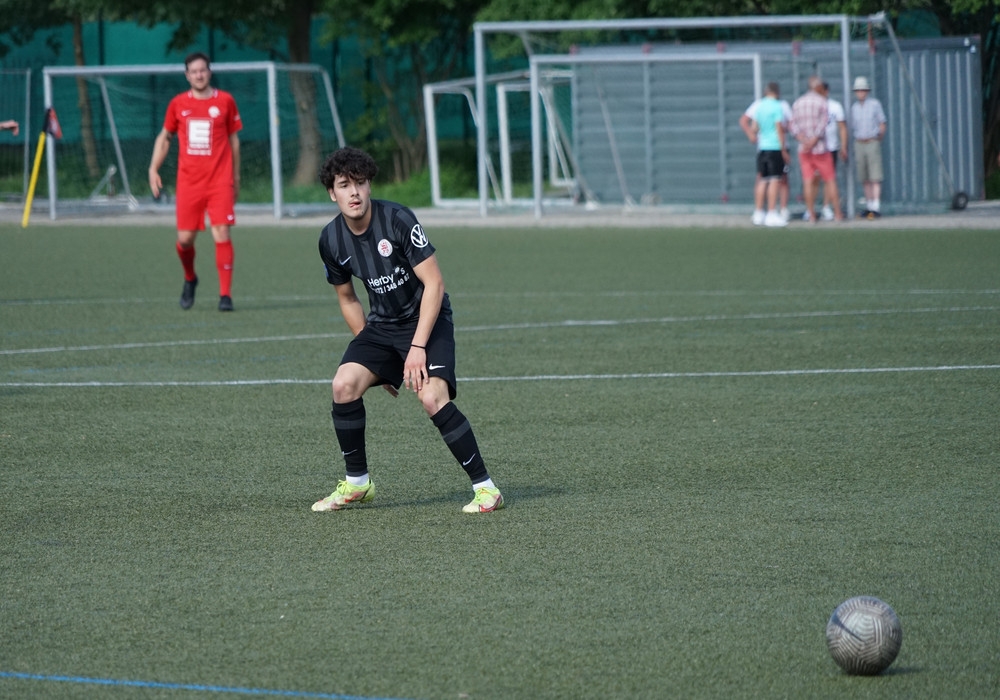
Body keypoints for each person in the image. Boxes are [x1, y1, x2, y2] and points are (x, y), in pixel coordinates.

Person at [312, 146, 504, 515]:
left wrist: (416, 348)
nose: (354, 192)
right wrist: (375, 361)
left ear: (370, 185)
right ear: (332, 193)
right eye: (344, 185)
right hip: (382, 326)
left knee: (432, 397)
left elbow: (435, 284)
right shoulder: (330, 240)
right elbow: (348, 298)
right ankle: (357, 483)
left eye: (360, 183)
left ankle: (486, 489)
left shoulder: (398, 219)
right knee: (344, 385)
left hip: (428, 320)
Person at [149, 52, 242, 311]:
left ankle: (225, 296)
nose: (199, 75)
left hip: (219, 181)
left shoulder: (225, 101)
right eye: (194, 71)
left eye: (203, 70)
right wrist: (153, 168)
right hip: (189, 183)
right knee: (185, 240)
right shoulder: (178, 104)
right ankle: (190, 278)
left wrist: (235, 176)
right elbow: (165, 137)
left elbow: (234, 141)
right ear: (187, 75)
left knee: (222, 232)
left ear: (209, 72)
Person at [790, 75, 842, 223]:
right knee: (830, 180)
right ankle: (837, 214)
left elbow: (793, 125)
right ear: (817, 87)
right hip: (820, 149)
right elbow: (823, 123)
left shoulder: (798, 103)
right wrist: (813, 140)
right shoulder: (822, 102)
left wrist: (803, 140)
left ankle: (811, 215)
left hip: (804, 149)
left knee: (808, 180)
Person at [739, 82, 790, 227]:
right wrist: (783, 150)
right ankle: (772, 212)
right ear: (777, 92)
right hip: (774, 147)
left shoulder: (759, 106)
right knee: (775, 180)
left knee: (762, 180)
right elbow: (779, 128)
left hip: (762, 148)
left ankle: (758, 212)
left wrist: (752, 135)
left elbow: (754, 126)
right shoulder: (777, 106)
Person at [849, 76, 887, 219]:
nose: (860, 93)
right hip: (859, 142)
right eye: (858, 90)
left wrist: (878, 138)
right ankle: (869, 205)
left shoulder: (875, 104)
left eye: (863, 90)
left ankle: (876, 206)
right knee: (864, 176)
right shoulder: (854, 107)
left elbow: (882, 123)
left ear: (867, 91)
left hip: (871, 141)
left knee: (875, 175)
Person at [816, 80, 848, 221]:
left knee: (828, 179)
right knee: (814, 178)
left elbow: (842, 127)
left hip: (830, 147)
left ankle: (826, 207)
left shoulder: (835, 106)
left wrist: (843, 146)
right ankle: (811, 208)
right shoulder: (813, 106)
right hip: (815, 148)